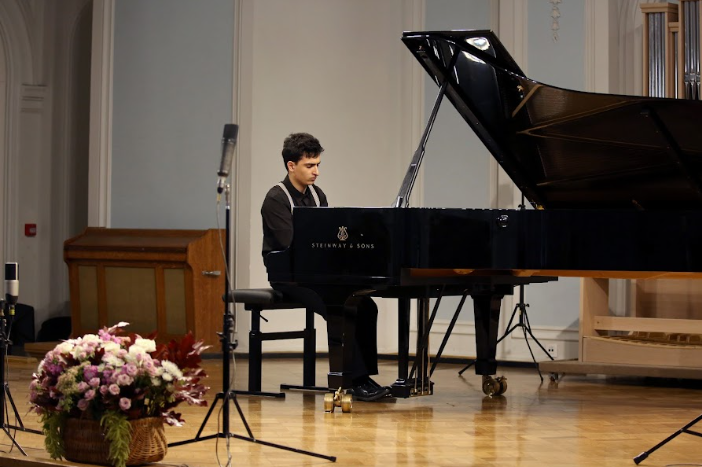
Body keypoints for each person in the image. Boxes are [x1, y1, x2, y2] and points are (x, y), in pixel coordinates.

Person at [261, 132, 391, 402]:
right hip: (289, 276)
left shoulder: (318, 195)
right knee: (340, 307)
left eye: (318, 165)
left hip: (318, 275)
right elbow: (290, 245)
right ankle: (353, 381)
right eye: (310, 165)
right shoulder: (276, 198)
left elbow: (328, 239)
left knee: (366, 305)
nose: (316, 171)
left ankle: (364, 377)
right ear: (291, 166)